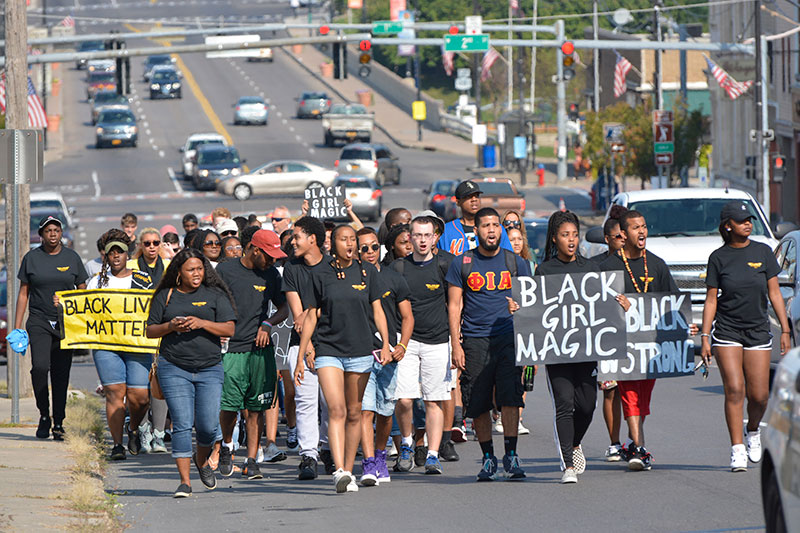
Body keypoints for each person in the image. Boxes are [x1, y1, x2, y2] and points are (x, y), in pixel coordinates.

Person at [530, 211, 627, 484]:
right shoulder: (545, 270)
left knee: (586, 406)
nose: (571, 240)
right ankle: (568, 466)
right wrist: (520, 308)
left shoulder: (590, 269)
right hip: (557, 352)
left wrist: (621, 306)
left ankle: (574, 443)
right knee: (564, 404)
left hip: (586, 351)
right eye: (565, 235)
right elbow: (535, 309)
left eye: (574, 235)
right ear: (554, 239)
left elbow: (603, 307)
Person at [294, 224, 392, 494]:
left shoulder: (368, 272)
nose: (349, 244)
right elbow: (311, 315)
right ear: (331, 243)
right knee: (335, 409)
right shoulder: (321, 273)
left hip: (361, 350)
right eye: (343, 239)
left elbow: (378, 310)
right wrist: (302, 355)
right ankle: (339, 470)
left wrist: (385, 343)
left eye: (353, 240)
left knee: (354, 412)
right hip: (328, 350)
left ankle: (349, 470)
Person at [700, 201, 790, 472]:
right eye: (741, 221)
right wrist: (705, 336)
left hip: (757, 330)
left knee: (760, 395)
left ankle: (753, 430)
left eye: (749, 219)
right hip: (727, 330)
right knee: (735, 389)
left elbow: (774, 293)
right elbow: (711, 299)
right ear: (728, 225)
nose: (747, 223)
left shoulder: (762, 252)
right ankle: (737, 448)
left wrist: (785, 329)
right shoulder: (718, 257)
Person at [446, 207, 531, 481]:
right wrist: (455, 345)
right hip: (474, 339)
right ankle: (487, 458)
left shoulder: (515, 262)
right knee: (479, 402)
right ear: (477, 231)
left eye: (496, 225)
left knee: (509, 398)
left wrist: (521, 309)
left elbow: (532, 303)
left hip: (508, 337)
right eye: (485, 225)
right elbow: (455, 305)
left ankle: (511, 454)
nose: (491, 230)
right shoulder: (462, 263)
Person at [146, 248, 236, 498]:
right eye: (190, 270)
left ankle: (201, 459)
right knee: (183, 424)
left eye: (199, 269)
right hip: (173, 367)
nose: (196, 274)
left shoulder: (215, 294)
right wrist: (170, 326)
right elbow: (150, 331)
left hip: (209, 368)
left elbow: (230, 328)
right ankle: (184, 482)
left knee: (208, 427)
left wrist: (202, 323)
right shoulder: (165, 295)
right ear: (179, 273)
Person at [600, 210, 683, 471]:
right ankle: (639, 449)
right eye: (636, 228)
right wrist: (616, 305)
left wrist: (683, 322)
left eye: (644, 226)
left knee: (642, 398)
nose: (642, 232)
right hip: (621, 345)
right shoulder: (607, 267)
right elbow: (594, 306)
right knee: (630, 394)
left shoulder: (657, 264)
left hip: (651, 347)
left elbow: (673, 301)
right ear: (623, 235)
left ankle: (635, 442)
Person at [216, 228, 289, 480]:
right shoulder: (225, 271)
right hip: (231, 350)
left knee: (255, 408)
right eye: (268, 255)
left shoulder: (271, 275)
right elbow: (213, 301)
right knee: (229, 406)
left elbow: (284, 308)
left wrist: (268, 324)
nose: (272, 261)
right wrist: (217, 329)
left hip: (260, 350)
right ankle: (227, 447)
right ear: (254, 249)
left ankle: (251, 460)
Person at [390, 216, 456, 475]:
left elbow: (455, 305)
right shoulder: (398, 268)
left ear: (435, 237)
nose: (422, 240)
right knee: (404, 400)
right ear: (410, 237)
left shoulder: (445, 264)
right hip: (406, 342)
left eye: (427, 235)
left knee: (434, 400)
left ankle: (432, 454)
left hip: (438, 341)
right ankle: (406, 444)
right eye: (417, 235)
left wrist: (456, 341)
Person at [12, 216, 88, 440]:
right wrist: (17, 328)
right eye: (48, 231)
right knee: (40, 368)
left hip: (66, 324)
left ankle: (59, 422)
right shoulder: (32, 258)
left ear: (61, 233)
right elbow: (24, 292)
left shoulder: (72, 258)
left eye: (56, 230)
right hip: (39, 320)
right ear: (42, 234)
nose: (52, 234)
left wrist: (71, 303)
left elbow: (82, 288)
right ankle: (44, 414)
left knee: (61, 374)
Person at [85, 229, 154, 460]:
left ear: (128, 255)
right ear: (106, 255)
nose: (116, 256)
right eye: (111, 252)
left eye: (120, 252)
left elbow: (153, 309)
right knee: (115, 393)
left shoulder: (143, 279)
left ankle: (133, 428)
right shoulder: (97, 281)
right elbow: (85, 312)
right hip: (107, 345)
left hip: (136, 345)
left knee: (140, 397)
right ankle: (117, 445)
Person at [356, 227, 414, 485]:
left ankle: (380, 455)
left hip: (389, 356)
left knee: (385, 412)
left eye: (374, 247)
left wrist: (401, 345)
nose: (370, 252)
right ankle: (368, 462)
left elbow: (407, 317)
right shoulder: (350, 279)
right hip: (360, 353)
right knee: (365, 411)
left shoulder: (393, 277)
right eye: (364, 248)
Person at [282, 216, 332, 480]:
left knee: (330, 402)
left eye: (297, 235)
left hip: (333, 344)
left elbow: (334, 308)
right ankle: (308, 455)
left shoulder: (333, 267)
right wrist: (308, 348)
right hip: (300, 344)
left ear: (312, 238)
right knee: (305, 402)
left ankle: (328, 448)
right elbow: (298, 315)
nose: (293, 241)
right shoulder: (291, 267)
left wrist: (315, 314)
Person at [591, 205, 627, 462]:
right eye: (618, 236)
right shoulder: (596, 266)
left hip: (636, 339)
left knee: (634, 391)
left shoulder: (645, 263)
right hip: (608, 339)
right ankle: (614, 442)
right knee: (611, 390)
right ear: (607, 239)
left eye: (627, 234)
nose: (624, 240)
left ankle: (637, 440)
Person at [503, 224, 535, 437]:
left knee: (526, 371)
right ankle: (501, 413)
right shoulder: (499, 264)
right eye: (511, 238)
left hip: (527, 325)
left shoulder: (529, 265)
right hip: (506, 327)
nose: (516, 242)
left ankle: (519, 415)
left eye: (519, 239)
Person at [438, 180, 512, 256]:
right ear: (458, 202)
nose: (474, 199)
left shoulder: (495, 228)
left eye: (477, 196)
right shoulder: (446, 231)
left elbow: (509, 257)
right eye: (468, 196)